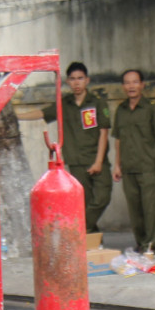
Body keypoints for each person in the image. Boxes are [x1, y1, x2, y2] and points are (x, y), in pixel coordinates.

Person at [41, 62, 112, 233]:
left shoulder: (97, 103)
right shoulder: (64, 104)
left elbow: (104, 134)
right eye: (72, 79)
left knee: (102, 197)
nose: (76, 83)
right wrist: (13, 115)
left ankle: (78, 229)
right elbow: (43, 113)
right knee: (84, 203)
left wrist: (98, 162)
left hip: (96, 159)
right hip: (76, 163)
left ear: (87, 80)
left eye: (80, 78)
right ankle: (91, 240)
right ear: (67, 81)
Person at [110, 68, 155, 257]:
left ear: (142, 85)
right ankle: (140, 242)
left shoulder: (152, 108)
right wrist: (117, 164)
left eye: (135, 82)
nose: (131, 86)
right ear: (123, 86)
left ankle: (150, 244)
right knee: (135, 209)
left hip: (148, 167)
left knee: (150, 207)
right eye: (127, 83)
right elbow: (118, 139)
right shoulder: (121, 110)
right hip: (129, 168)